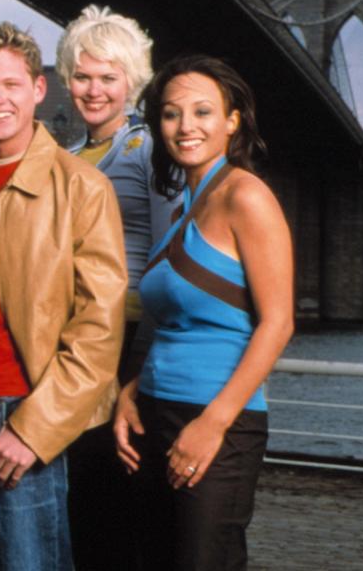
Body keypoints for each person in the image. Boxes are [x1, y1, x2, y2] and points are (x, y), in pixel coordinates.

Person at [0, 23, 128, 571]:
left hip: (18, 412)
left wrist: (35, 431)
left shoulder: (81, 187)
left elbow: (99, 328)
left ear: (38, 89)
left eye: (11, 85)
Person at [114, 55, 294, 571]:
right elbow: (174, 324)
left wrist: (212, 424)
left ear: (232, 121)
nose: (186, 126)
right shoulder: (181, 208)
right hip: (155, 411)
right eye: (171, 114)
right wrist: (130, 393)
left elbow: (278, 323)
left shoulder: (247, 196)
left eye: (202, 112)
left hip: (217, 422)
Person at [55, 4, 177, 570]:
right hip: (76, 341)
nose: (94, 89)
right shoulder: (66, 157)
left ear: (132, 81)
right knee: (81, 498)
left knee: (122, 501)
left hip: (127, 341)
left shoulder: (151, 149)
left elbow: (166, 255)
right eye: (82, 76)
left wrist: (140, 370)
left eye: (109, 76)